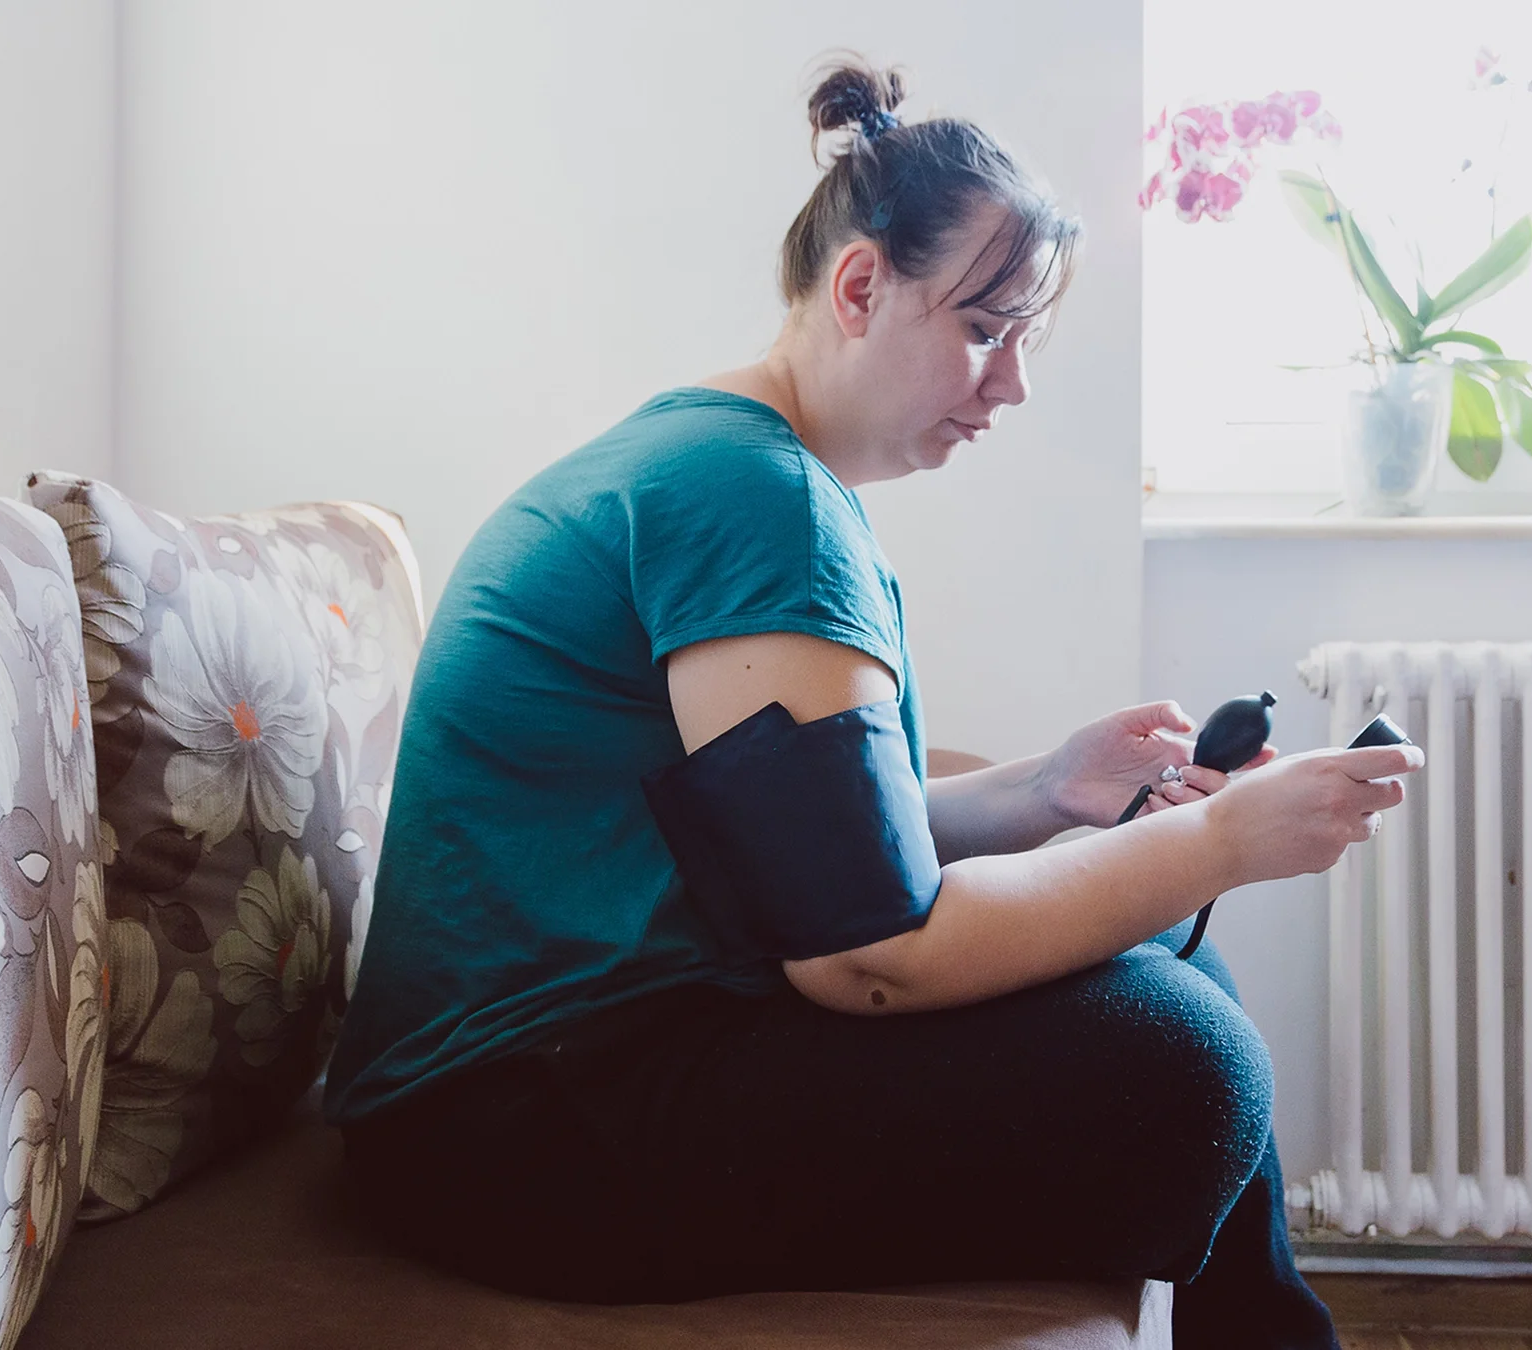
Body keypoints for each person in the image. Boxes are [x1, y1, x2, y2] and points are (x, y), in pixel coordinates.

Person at [323, 56, 1421, 1347]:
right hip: (518, 1128)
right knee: (1190, 1064)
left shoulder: (717, 460)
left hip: (500, 1098)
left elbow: (800, 848)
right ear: (861, 287)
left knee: (1187, 973)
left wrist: (1043, 791)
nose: (1009, 384)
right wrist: (1213, 841)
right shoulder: (761, 500)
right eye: (985, 328)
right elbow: (866, 956)